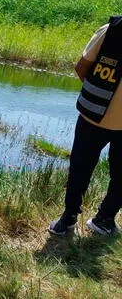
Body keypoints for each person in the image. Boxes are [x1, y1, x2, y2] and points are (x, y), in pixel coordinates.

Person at [48, 16, 122, 236]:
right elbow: (82, 68)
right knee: (80, 168)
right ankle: (69, 216)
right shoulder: (110, 31)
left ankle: (105, 218)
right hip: (93, 117)